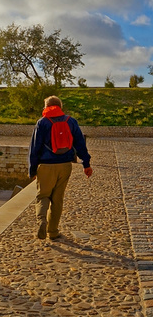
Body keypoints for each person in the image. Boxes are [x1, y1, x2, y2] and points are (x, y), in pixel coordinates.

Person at [28, 95, 93, 241]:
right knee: (57, 199)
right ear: (60, 107)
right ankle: (53, 232)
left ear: (46, 107)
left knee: (43, 196)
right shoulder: (71, 122)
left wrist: (32, 170)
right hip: (65, 166)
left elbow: (34, 148)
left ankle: (42, 222)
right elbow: (80, 145)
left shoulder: (42, 123)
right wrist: (86, 164)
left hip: (46, 166)